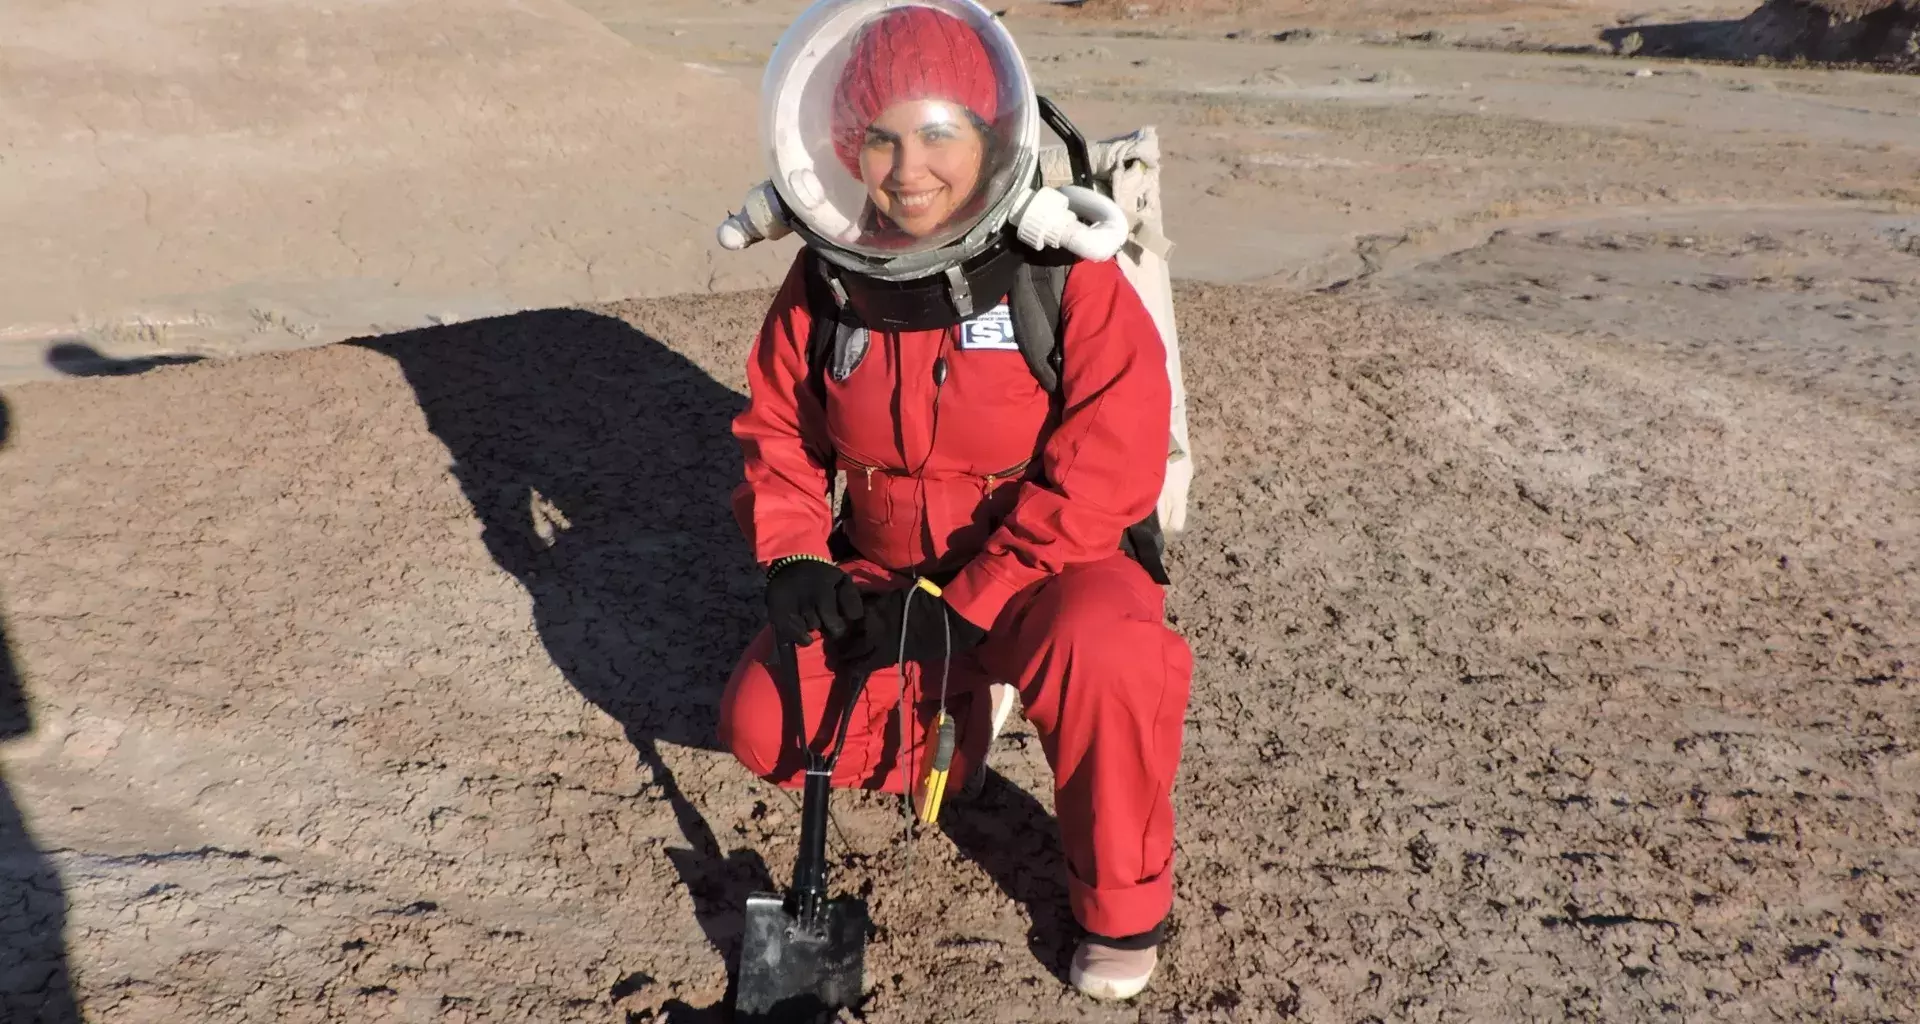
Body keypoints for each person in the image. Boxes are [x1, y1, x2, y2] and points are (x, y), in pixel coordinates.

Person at [715, 0, 1193, 1002]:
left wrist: (967, 598)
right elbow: (778, 432)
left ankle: (1121, 906)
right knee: (768, 726)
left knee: (1109, 652)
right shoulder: (828, 279)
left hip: (1041, 579)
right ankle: (956, 720)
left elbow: (1108, 467)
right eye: (881, 137)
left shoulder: (1060, 275)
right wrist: (797, 554)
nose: (908, 168)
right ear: (847, 145)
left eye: (938, 132)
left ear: (987, 134)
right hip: (885, 574)